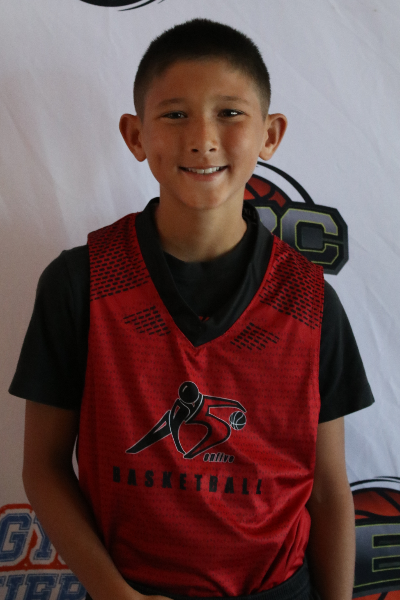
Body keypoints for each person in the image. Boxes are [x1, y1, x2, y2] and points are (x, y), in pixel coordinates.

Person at [10, 18, 374, 600]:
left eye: (229, 113)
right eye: (176, 114)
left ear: (270, 134)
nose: (203, 138)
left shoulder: (309, 302)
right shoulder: (80, 283)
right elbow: (44, 466)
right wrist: (114, 594)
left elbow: (329, 491)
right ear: (136, 135)